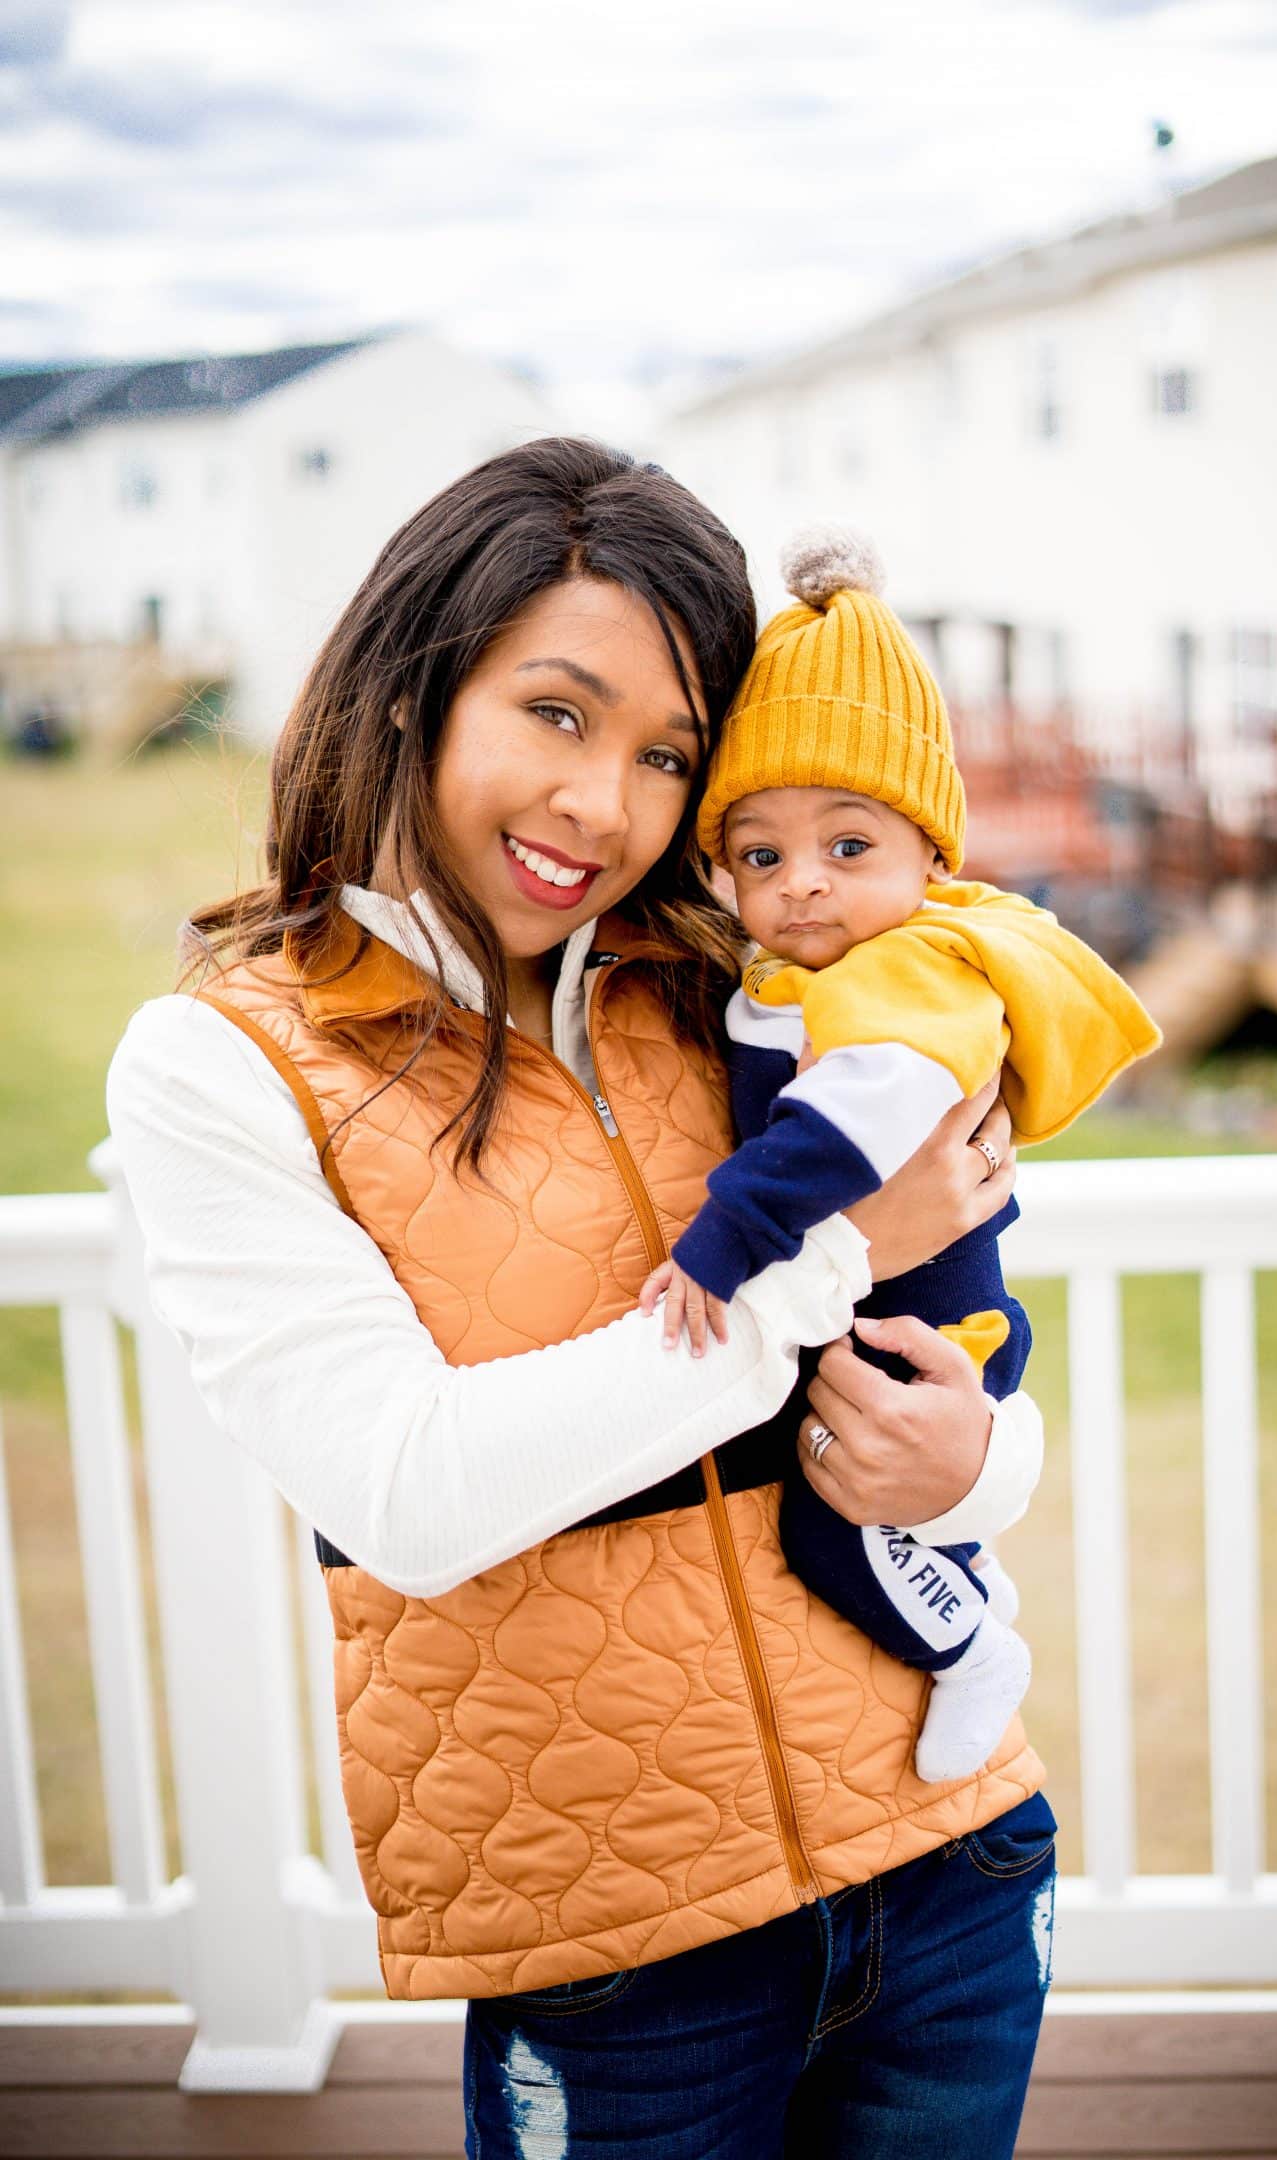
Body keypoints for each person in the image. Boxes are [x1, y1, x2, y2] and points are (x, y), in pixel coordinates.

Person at [107, 440, 1057, 2158]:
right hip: (623, 1957)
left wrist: (978, 1471)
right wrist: (827, 1255)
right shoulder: (230, 1063)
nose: (604, 809)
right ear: (417, 687)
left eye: (665, 754)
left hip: (951, 1860)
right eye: (557, 713)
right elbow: (411, 1490)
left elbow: (965, 1343)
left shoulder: (757, 985)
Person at [641, 528, 1161, 1788]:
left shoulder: (907, 971)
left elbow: (852, 1130)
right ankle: (969, 1607)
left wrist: (718, 1242)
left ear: (932, 856)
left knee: (839, 1536)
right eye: (760, 855)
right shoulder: (797, 975)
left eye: (850, 847)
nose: (804, 885)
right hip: (869, 1308)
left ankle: (977, 1646)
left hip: (921, 1320)